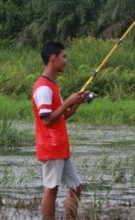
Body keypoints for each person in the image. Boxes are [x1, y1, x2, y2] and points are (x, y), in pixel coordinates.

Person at [31, 42, 91, 219]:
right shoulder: (43, 88)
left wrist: (75, 104)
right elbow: (47, 119)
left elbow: (61, 117)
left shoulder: (52, 86)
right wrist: (68, 101)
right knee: (51, 188)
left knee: (76, 187)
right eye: (63, 57)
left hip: (60, 147)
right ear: (53, 58)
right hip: (51, 147)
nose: (66, 61)